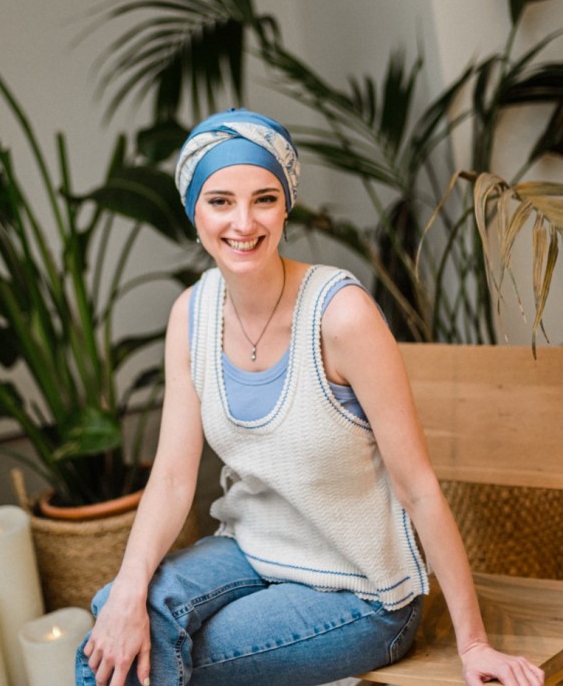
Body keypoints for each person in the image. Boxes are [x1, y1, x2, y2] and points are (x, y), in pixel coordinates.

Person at [76, 109, 544, 686]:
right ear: (194, 212)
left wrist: (473, 645)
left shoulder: (341, 315)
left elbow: (418, 487)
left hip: (362, 592)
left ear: (286, 207)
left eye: (264, 199)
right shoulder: (190, 315)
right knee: (114, 621)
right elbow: (172, 479)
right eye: (220, 201)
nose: (243, 221)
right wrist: (128, 590)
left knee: (132, 664)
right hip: (251, 550)